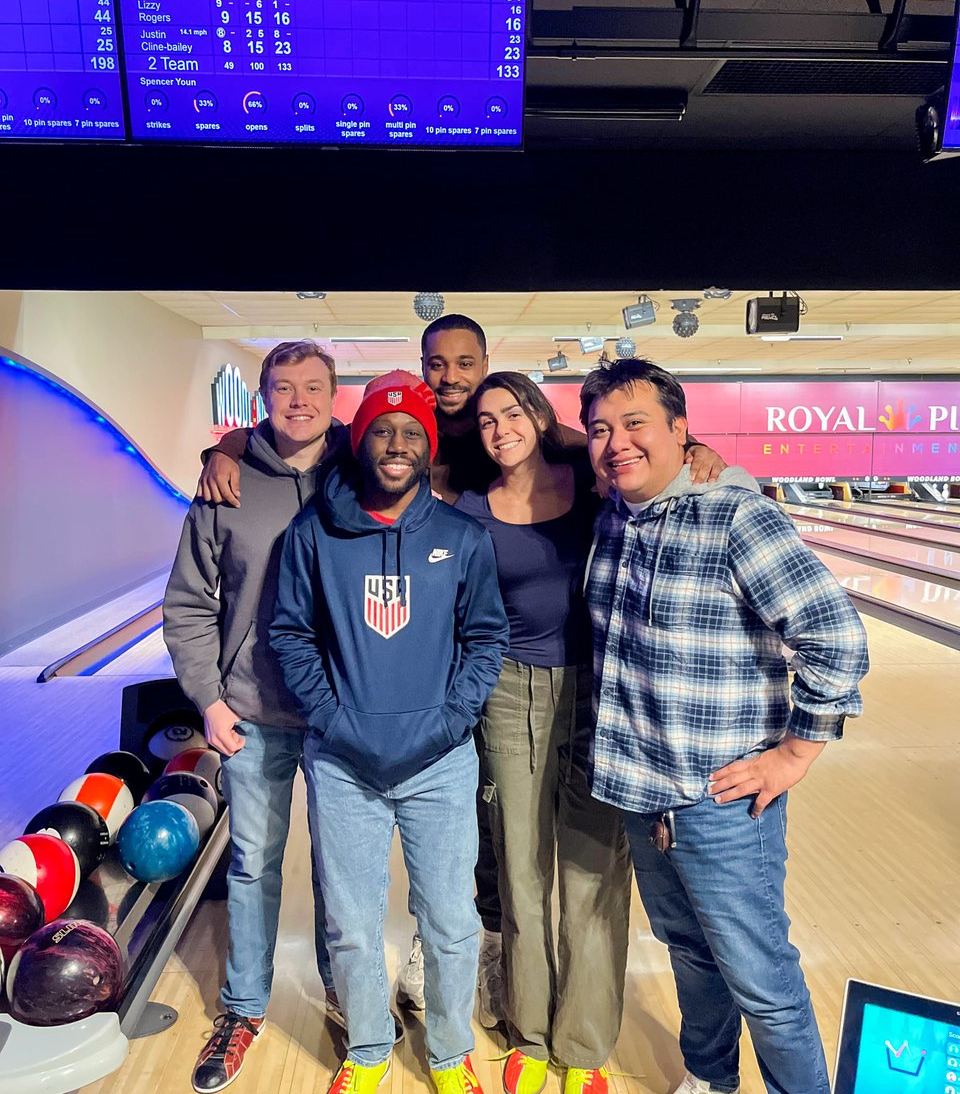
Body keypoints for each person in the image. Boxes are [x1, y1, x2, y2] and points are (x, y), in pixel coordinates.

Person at [195, 314, 725, 1027]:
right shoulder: (383, 458)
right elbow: (286, 472)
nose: (451, 379)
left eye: (466, 365)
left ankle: (525, 1004)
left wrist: (693, 447)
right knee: (465, 858)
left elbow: (600, 446)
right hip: (356, 703)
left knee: (548, 864)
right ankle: (287, 1007)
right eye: (436, 365)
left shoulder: (549, 462)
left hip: (548, 694)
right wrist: (227, 446)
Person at [578, 357, 869, 1094]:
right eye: (601, 429)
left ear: (682, 431)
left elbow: (837, 637)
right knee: (689, 955)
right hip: (645, 795)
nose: (618, 443)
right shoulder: (612, 518)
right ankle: (711, 1079)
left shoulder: (738, 516)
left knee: (762, 981)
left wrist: (795, 754)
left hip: (723, 804)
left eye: (636, 423)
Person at [270, 370, 510, 1094]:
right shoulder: (313, 533)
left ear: (426, 448)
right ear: (361, 439)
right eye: (383, 430)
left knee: (448, 918)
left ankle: (447, 1050)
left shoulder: (462, 536)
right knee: (348, 918)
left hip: (439, 761)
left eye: (412, 433)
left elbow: (486, 638)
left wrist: (449, 720)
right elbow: (290, 636)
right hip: (343, 761)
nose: (397, 443)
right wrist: (336, 721)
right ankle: (370, 1047)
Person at [164, 341, 351, 1094]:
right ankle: (243, 1010)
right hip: (250, 711)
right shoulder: (226, 485)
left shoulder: (362, 473)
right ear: (263, 396)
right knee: (253, 865)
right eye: (283, 387)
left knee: (345, 873)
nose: (298, 400)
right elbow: (186, 604)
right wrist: (208, 700)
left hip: (342, 715)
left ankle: (348, 995)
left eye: (313, 387)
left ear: (335, 397)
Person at [456, 371, 632, 1094]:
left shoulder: (591, 486)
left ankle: (583, 1048)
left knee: (592, 872)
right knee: (521, 870)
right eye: (487, 421)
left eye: (512, 412)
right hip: (506, 693)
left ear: (537, 413)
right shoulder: (471, 511)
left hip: (596, 692)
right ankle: (529, 1035)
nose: (500, 429)